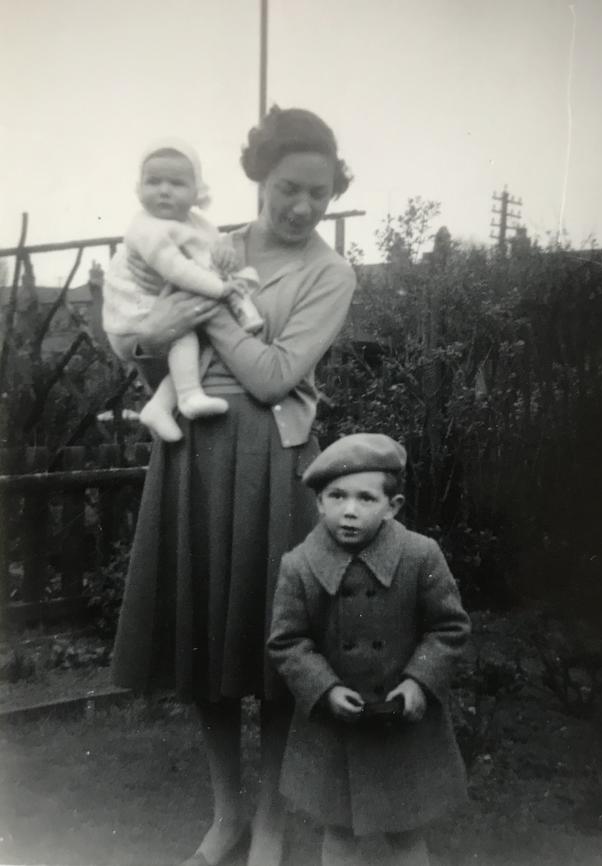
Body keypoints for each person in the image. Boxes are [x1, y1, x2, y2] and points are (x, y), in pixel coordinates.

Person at [106, 106, 356, 866]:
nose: (303, 207)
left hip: (276, 463)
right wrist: (161, 328)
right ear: (258, 178)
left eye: (320, 193)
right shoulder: (207, 242)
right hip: (194, 450)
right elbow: (136, 339)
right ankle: (226, 815)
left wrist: (202, 312)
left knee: (279, 650)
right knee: (201, 640)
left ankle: (275, 822)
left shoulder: (329, 273)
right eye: (288, 188)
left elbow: (275, 374)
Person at [267, 433, 471, 866]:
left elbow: (449, 628)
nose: (350, 510)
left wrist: (420, 682)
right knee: (339, 833)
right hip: (334, 728)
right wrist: (322, 688)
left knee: (406, 834)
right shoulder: (299, 566)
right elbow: (287, 641)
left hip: (404, 724)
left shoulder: (420, 556)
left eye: (365, 498)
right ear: (319, 502)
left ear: (392, 506)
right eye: (336, 496)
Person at [102, 137, 261, 443]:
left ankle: (160, 406)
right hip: (134, 318)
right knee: (186, 334)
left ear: (195, 192)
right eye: (154, 181)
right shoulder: (146, 228)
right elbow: (178, 269)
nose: (164, 190)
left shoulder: (196, 223)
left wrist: (224, 254)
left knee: (198, 343)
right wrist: (221, 289)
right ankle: (188, 397)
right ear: (139, 188)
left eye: (176, 183)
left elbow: (210, 251)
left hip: (162, 310)